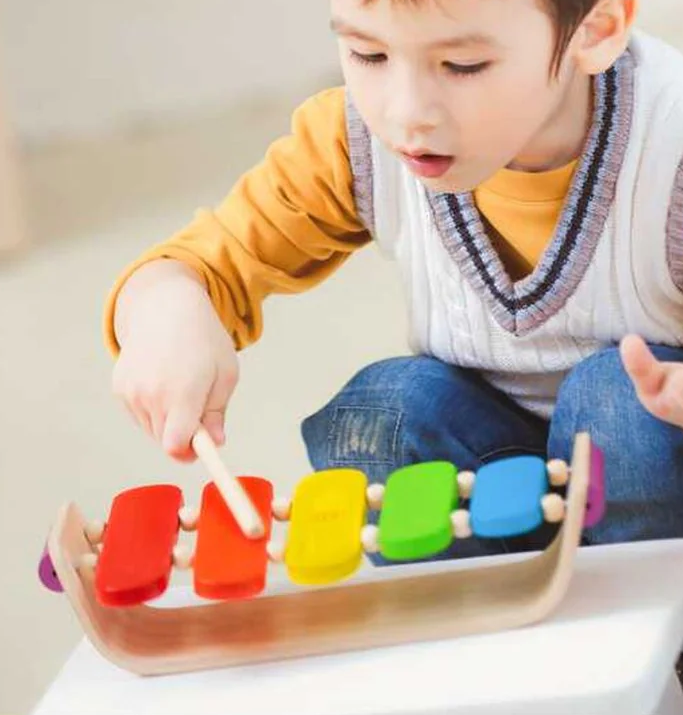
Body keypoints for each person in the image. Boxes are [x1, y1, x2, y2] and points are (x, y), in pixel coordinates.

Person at [103, 0, 683, 560]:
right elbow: (202, 262)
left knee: (620, 405)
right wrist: (167, 311)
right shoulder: (354, 142)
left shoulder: (670, 150)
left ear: (596, 31)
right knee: (381, 414)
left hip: (655, 486)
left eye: (463, 65)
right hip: (492, 471)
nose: (407, 112)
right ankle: (483, 617)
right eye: (367, 54)